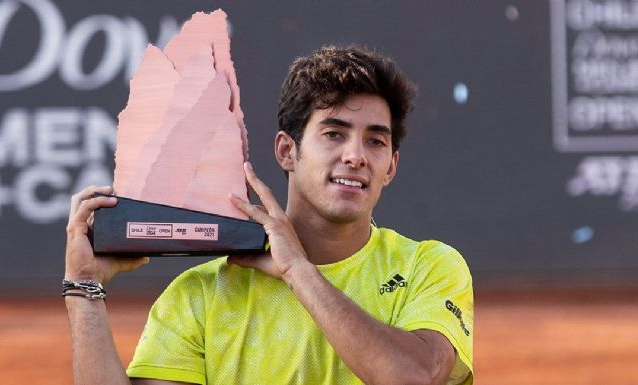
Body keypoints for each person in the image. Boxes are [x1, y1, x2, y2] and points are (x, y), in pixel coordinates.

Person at [64, 45, 474, 385]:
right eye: (333, 134)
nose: (355, 156)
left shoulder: (430, 267)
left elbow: (411, 378)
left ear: (391, 166)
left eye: (375, 142)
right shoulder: (201, 296)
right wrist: (84, 292)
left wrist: (297, 269)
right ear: (286, 151)